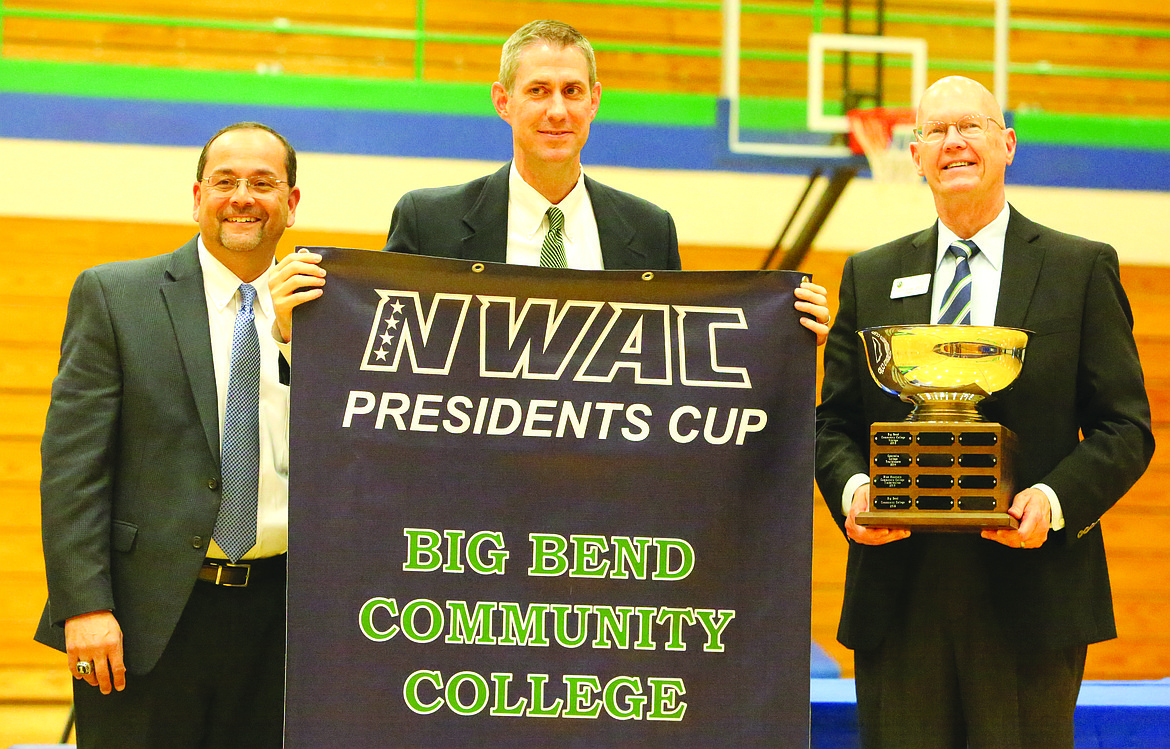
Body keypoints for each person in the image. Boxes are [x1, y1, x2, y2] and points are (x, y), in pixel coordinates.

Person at [815, 76, 1154, 748]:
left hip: (1032, 600)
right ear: (914, 156)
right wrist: (857, 493)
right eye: (936, 131)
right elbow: (834, 423)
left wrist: (1052, 502)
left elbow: (1125, 426)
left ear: (1007, 143)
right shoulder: (869, 274)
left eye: (970, 125)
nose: (954, 142)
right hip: (900, 597)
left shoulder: (1079, 267)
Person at [271, 19, 830, 344]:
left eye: (571, 91)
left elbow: (675, 364)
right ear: (503, 101)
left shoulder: (647, 229)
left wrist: (783, 336)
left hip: (597, 494)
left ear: (594, 101)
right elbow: (382, 352)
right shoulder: (428, 220)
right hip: (465, 489)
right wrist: (299, 330)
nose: (557, 110)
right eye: (538, 91)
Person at [35, 122, 300, 748]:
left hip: (283, 619)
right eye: (225, 181)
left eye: (263, 183)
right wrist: (85, 606)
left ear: (291, 203)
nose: (243, 196)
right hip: (144, 618)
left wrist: (301, 346)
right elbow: (73, 468)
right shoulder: (116, 295)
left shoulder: (328, 309)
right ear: (196, 196)